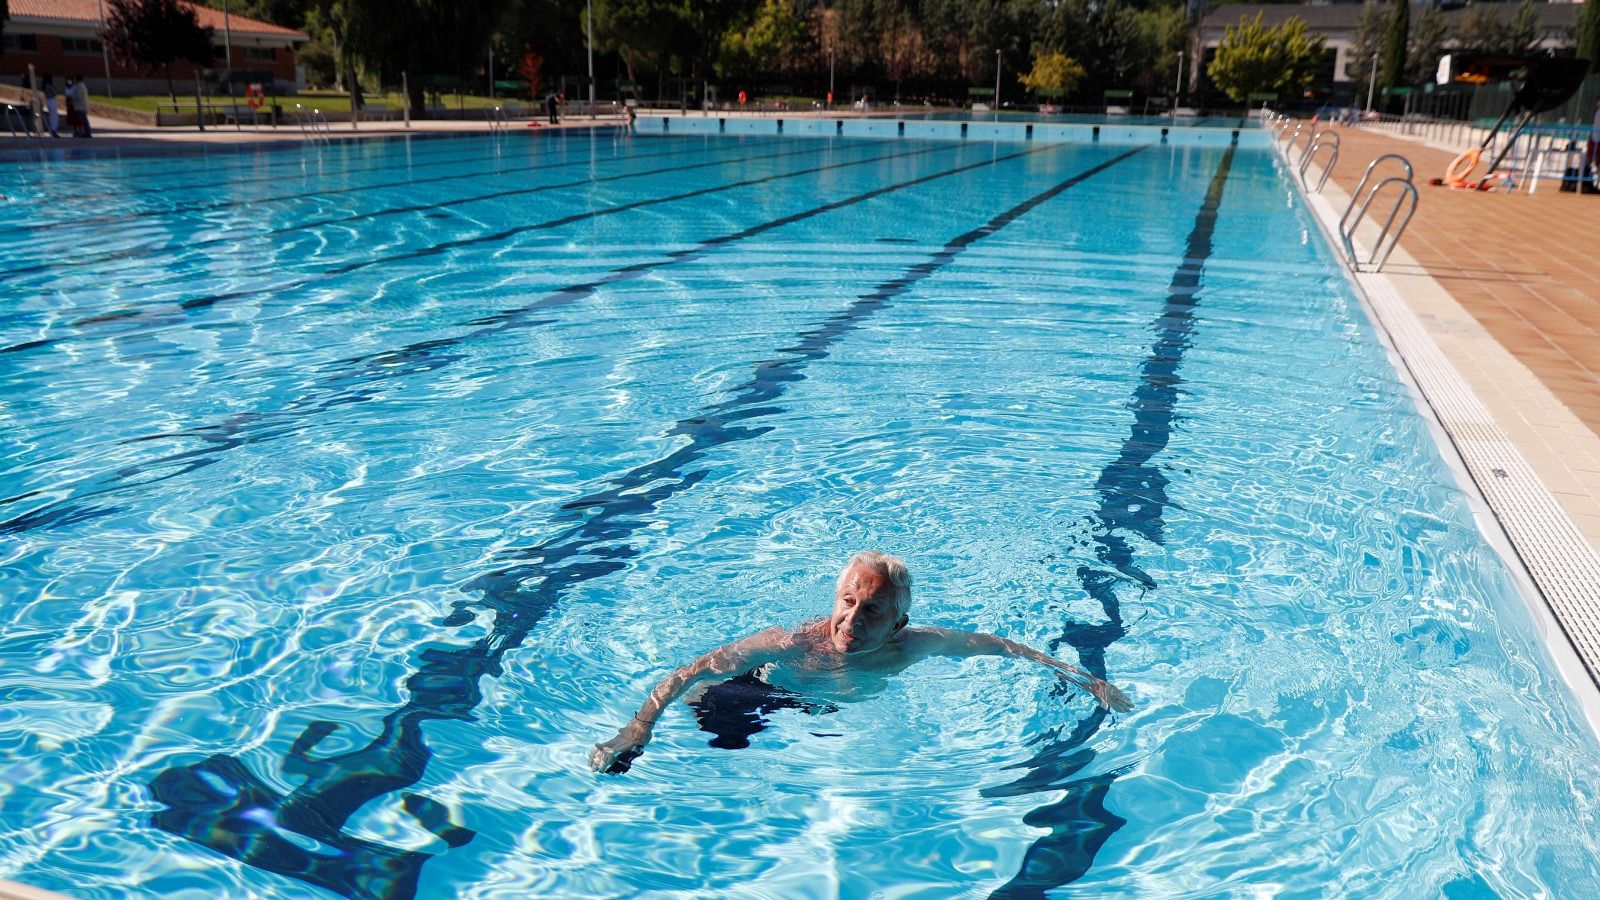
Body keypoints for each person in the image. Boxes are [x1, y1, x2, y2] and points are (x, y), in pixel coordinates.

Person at [589, 551, 1134, 774]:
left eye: (871, 610)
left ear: (897, 622)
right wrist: (636, 730)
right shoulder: (789, 643)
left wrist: (1088, 681)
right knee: (723, 747)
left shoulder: (914, 644)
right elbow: (689, 672)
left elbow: (1002, 646)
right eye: (846, 604)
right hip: (751, 691)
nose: (851, 621)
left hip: (819, 706)